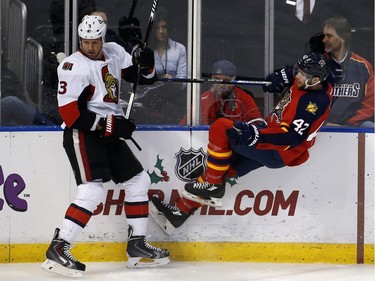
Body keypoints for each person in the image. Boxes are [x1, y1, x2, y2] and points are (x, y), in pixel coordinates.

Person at [41, 15, 169, 278]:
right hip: (83, 134)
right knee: (92, 192)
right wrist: (110, 126)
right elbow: (70, 116)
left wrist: (147, 62)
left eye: (94, 41)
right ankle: (59, 246)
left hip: (107, 130)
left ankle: (136, 246)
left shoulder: (113, 52)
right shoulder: (72, 67)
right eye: (85, 42)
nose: (90, 47)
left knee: (138, 181)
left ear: (102, 39)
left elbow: (141, 78)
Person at [150, 52, 334, 235]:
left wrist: (256, 135)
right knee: (222, 168)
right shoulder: (315, 81)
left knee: (221, 127)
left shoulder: (313, 104)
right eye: (298, 71)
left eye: (303, 74)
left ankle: (213, 187)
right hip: (273, 144)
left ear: (316, 79)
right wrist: (284, 75)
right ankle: (179, 213)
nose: (298, 76)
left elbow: (290, 138)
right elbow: (327, 68)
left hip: (278, 149)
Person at [321, 16, 374, 127]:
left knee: (370, 127)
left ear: (342, 38)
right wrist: (325, 123)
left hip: (354, 125)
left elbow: (370, 104)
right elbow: (305, 101)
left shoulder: (363, 66)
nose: (324, 40)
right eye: (324, 35)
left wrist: (350, 125)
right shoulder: (316, 65)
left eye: (329, 36)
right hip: (321, 126)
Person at [199, 60, 262, 125]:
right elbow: (190, 124)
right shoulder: (203, 100)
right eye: (216, 79)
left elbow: (258, 124)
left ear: (234, 79)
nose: (221, 84)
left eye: (226, 80)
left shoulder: (244, 99)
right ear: (211, 78)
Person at [152, 7, 186, 79]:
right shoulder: (146, 50)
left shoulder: (179, 49)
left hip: (173, 90)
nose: (161, 31)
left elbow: (183, 81)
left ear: (169, 28)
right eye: (157, 28)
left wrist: (171, 81)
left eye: (164, 27)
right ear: (153, 30)